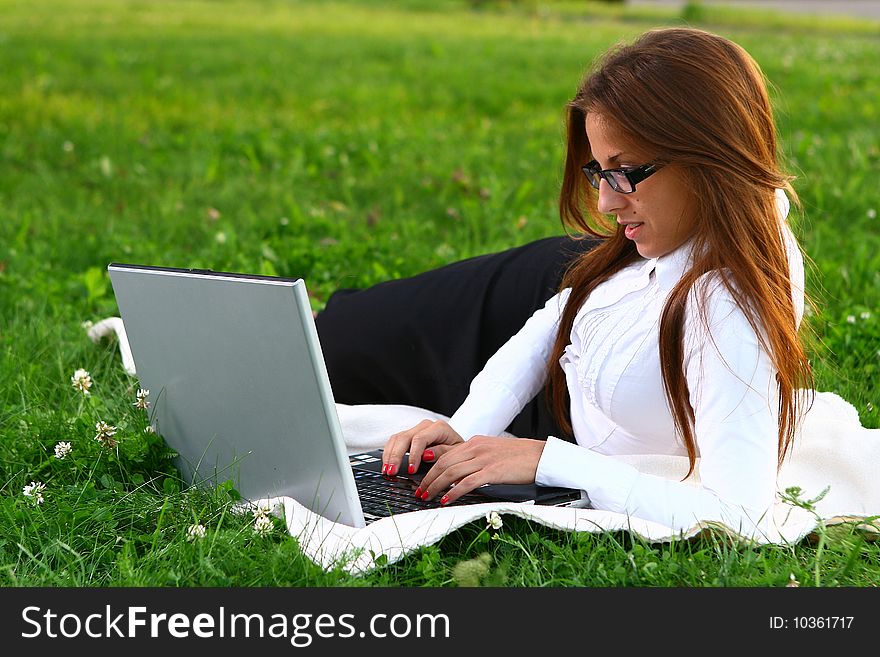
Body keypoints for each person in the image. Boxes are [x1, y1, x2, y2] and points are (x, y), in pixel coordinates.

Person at [320, 27, 815, 533]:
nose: (604, 202)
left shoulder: (731, 308)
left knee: (337, 358)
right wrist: (462, 430)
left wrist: (547, 462)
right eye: (600, 172)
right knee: (334, 338)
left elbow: (741, 519)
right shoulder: (670, 230)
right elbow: (553, 320)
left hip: (568, 379)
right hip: (554, 293)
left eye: (624, 171)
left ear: (709, 155)